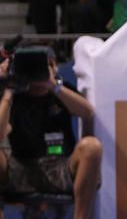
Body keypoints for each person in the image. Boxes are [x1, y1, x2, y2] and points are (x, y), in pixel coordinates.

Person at [0, 47, 103, 219]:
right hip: (20, 167)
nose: (35, 71)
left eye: (44, 65)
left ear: (55, 67)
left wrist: (53, 85)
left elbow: (87, 112)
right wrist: (8, 91)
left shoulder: (62, 90)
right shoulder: (11, 95)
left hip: (60, 167)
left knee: (92, 147)